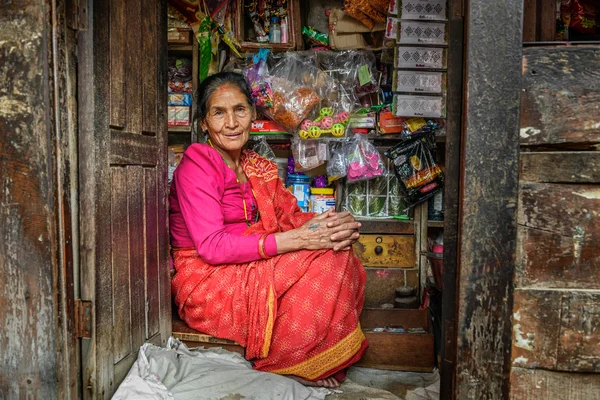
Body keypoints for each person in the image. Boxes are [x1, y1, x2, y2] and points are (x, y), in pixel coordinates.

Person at [170, 71, 367, 388]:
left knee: (338, 249)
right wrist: (299, 239)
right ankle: (289, 362)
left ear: (252, 114)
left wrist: (329, 225)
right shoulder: (198, 162)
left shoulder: (255, 164)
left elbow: (289, 215)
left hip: (249, 261)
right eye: (219, 113)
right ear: (204, 123)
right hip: (207, 276)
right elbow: (212, 247)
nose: (231, 123)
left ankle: (308, 354)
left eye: (239, 110)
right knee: (327, 260)